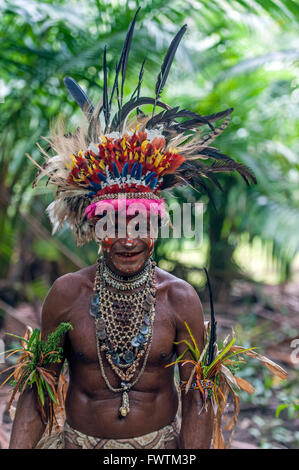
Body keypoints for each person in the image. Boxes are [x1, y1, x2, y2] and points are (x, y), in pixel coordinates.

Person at [8, 9, 256, 449]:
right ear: (94, 226)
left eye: (138, 222)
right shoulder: (67, 295)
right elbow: (37, 391)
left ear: (157, 225)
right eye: (113, 223)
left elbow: (198, 399)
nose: (127, 237)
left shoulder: (180, 299)